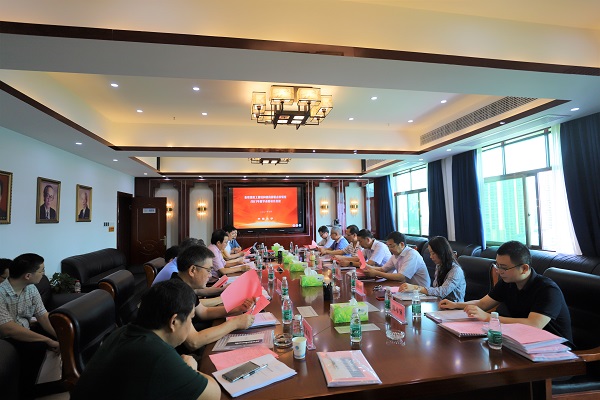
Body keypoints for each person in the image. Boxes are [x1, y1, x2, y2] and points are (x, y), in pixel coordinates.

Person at [70, 279, 221, 400]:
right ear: (174, 321)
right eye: (191, 318)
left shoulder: (123, 331)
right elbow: (214, 394)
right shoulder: (157, 355)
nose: (190, 324)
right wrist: (191, 368)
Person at [440, 240, 573, 342]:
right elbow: (483, 304)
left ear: (524, 268)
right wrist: (455, 305)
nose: (498, 271)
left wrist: (489, 317)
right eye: (497, 265)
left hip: (556, 352)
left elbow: (533, 324)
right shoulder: (507, 282)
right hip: (521, 341)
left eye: (503, 267)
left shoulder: (547, 289)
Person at [0, 253, 60, 399]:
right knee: (38, 346)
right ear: (28, 276)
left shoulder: (31, 288)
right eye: (41, 271)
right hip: (6, 338)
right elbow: (9, 329)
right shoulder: (1, 293)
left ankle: (59, 379)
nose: (43, 274)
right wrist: (47, 340)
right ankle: (25, 391)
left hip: (25, 329)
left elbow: (42, 315)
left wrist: (59, 336)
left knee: (62, 332)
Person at [172, 245, 254, 352]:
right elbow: (194, 342)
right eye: (209, 270)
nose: (210, 275)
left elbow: (204, 312)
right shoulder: (177, 293)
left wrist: (238, 308)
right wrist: (235, 323)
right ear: (192, 270)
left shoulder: (184, 286)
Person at [399, 236, 466, 302]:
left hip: (454, 307)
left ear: (441, 252)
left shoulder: (456, 270)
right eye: (430, 253)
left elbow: (442, 292)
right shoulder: (439, 265)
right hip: (439, 303)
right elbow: (436, 289)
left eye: (433, 253)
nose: (431, 257)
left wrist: (416, 288)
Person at [363, 231, 431, 287]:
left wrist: (376, 273)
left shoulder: (412, 255)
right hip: (406, 288)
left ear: (402, 244)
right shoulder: (395, 254)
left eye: (392, 246)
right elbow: (383, 269)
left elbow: (401, 277)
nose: (390, 249)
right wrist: (367, 267)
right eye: (388, 246)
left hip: (421, 291)